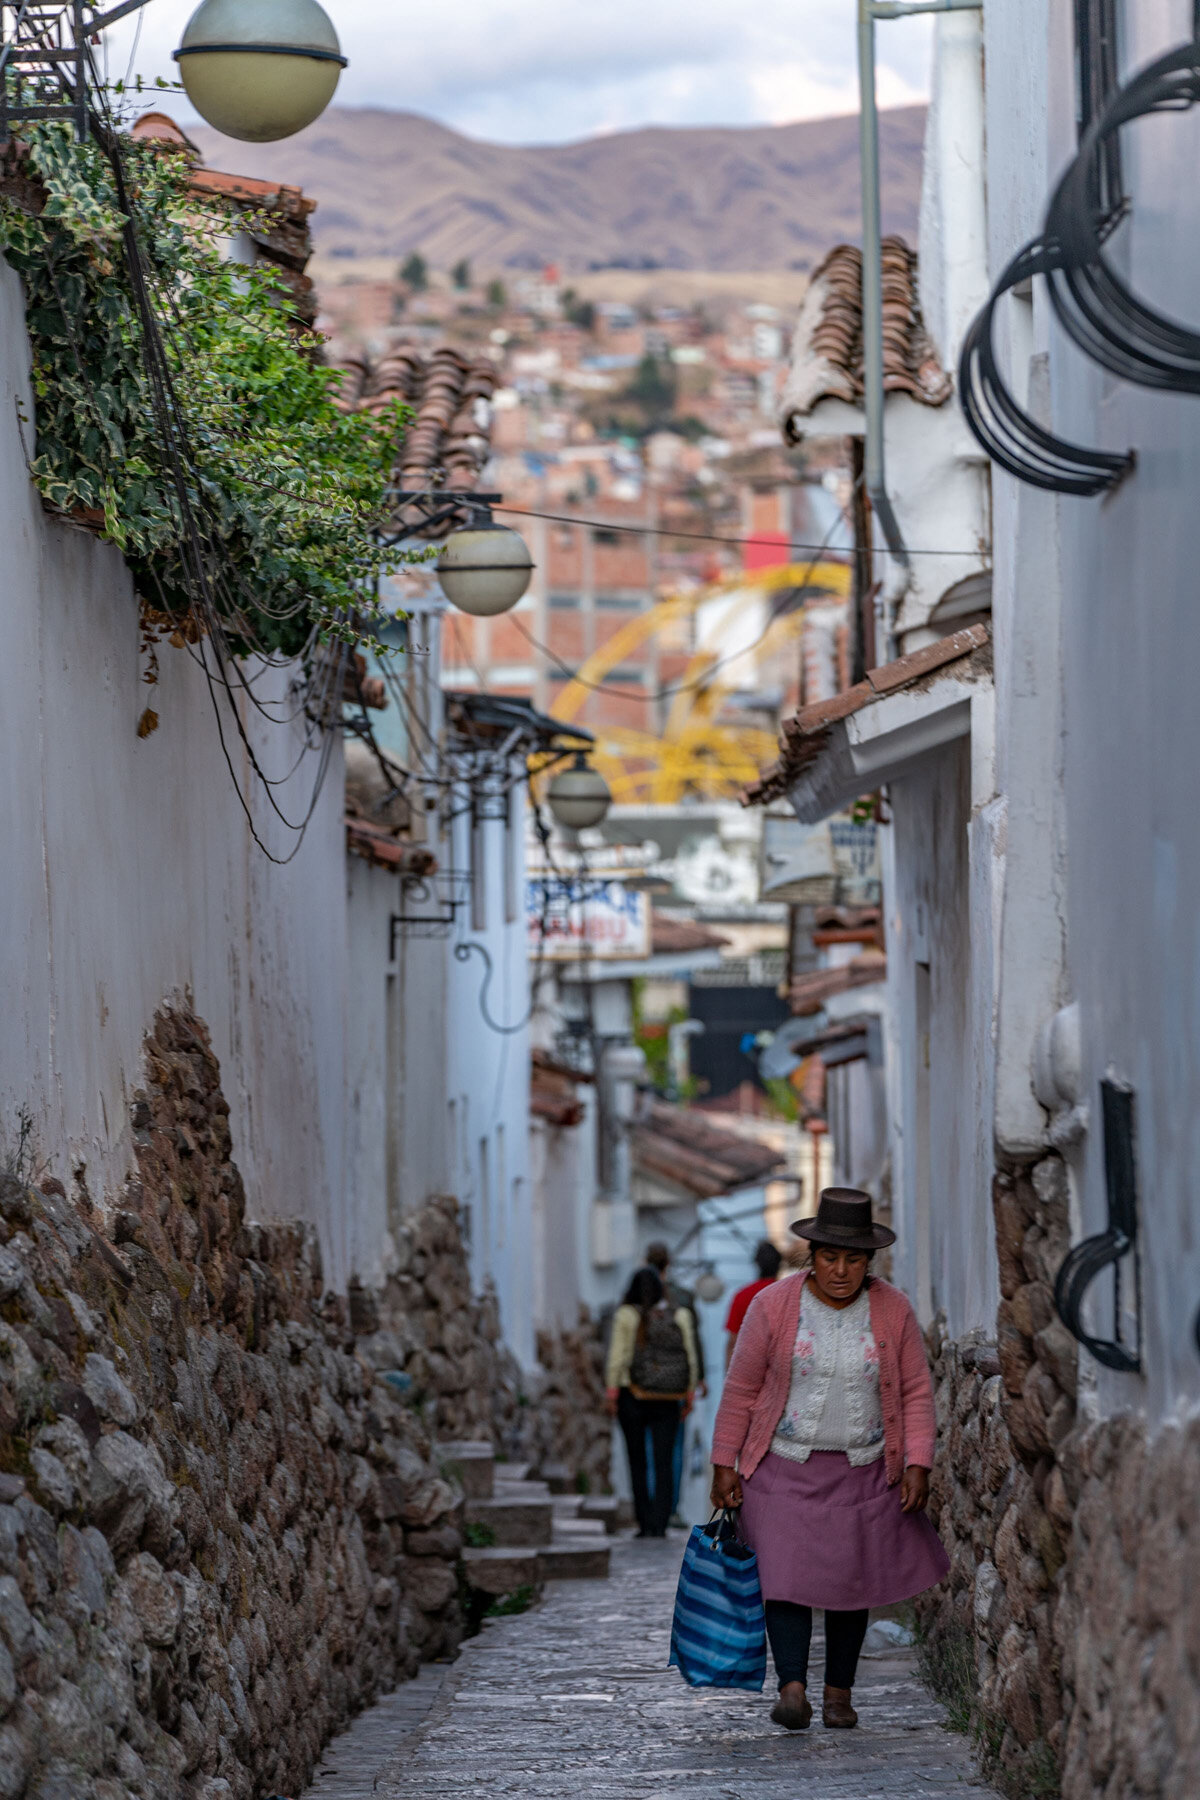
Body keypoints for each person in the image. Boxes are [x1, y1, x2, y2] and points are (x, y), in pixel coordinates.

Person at [709, 1187, 948, 1732]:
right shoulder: (772, 1306)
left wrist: (918, 1461)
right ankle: (792, 1688)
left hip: (862, 1469)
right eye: (830, 1257)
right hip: (781, 1467)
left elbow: (914, 1391)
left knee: (850, 1583)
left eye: (854, 1259)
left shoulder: (893, 1309)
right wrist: (725, 1460)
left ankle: (839, 1694)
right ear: (810, 1257)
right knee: (784, 1579)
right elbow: (742, 1388)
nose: (841, 1270)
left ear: (869, 1262)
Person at [606, 1266, 699, 1538]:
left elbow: (618, 1356)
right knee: (664, 1461)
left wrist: (612, 1392)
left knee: (636, 1460)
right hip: (668, 1397)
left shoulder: (626, 1314)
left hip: (630, 1394)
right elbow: (690, 1355)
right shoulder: (679, 1314)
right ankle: (661, 1523)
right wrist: (689, 1392)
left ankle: (644, 1522)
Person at [644, 1240, 706, 1524]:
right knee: (675, 1446)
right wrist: (699, 1378)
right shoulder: (683, 1297)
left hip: (645, 1383)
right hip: (676, 1383)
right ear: (668, 1264)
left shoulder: (639, 1296)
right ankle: (671, 1508)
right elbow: (693, 1341)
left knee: (649, 1444)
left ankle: (651, 1504)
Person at [723, 1238, 783, 1368]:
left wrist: (727, 1375)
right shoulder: (789, 1294)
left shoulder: (742, 1295)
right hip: (780, 1368)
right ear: (779, 1265)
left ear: (757, 1264)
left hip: (749, 1367)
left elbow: (733, 1341)